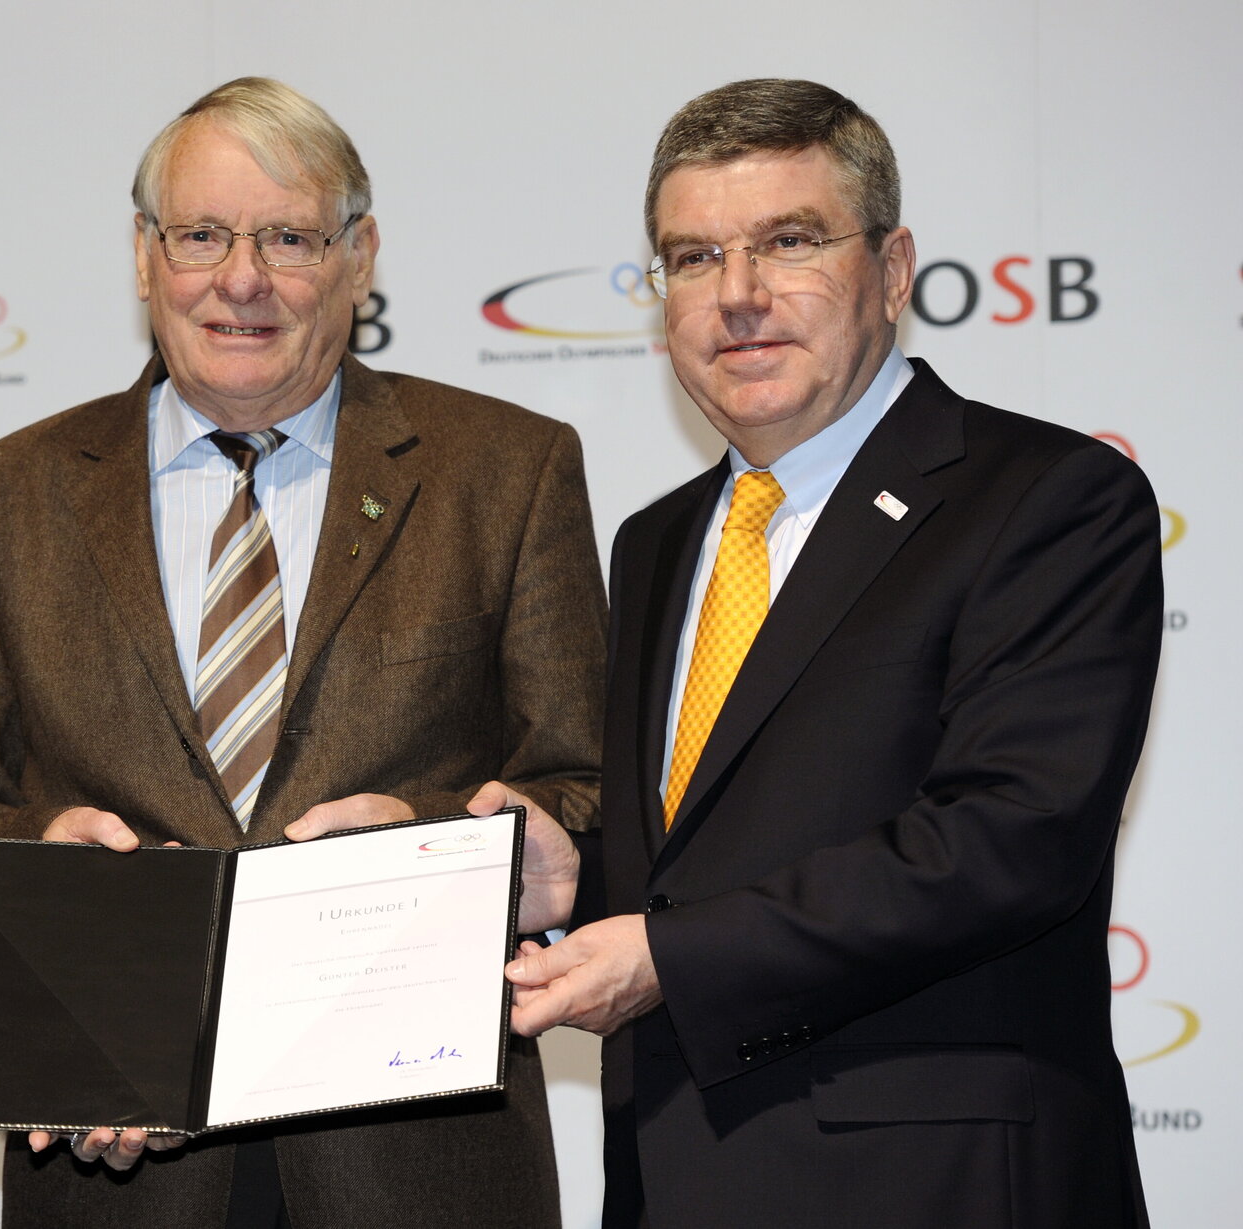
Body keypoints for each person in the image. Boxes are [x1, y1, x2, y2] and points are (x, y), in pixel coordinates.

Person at [0, 78, 607, 1229]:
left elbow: (581, 792)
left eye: (289, 238)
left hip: (421, 1163)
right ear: (144, 257)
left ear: (359, 256)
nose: (241, 279)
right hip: (113, 1160)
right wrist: (41, 879)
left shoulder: (508, 470)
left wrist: (425, 843)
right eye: (200, 235)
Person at [476, 79, 1158, 1228]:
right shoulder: (657, 540)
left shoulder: (1048, 499)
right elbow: (708, 858)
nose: (738, 294)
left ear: (892, 270)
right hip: (679, 1180)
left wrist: (672, 957)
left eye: (788, 242)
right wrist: (571, 881)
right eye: (693, 257)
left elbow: (1008, 839)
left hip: (937, 1186)